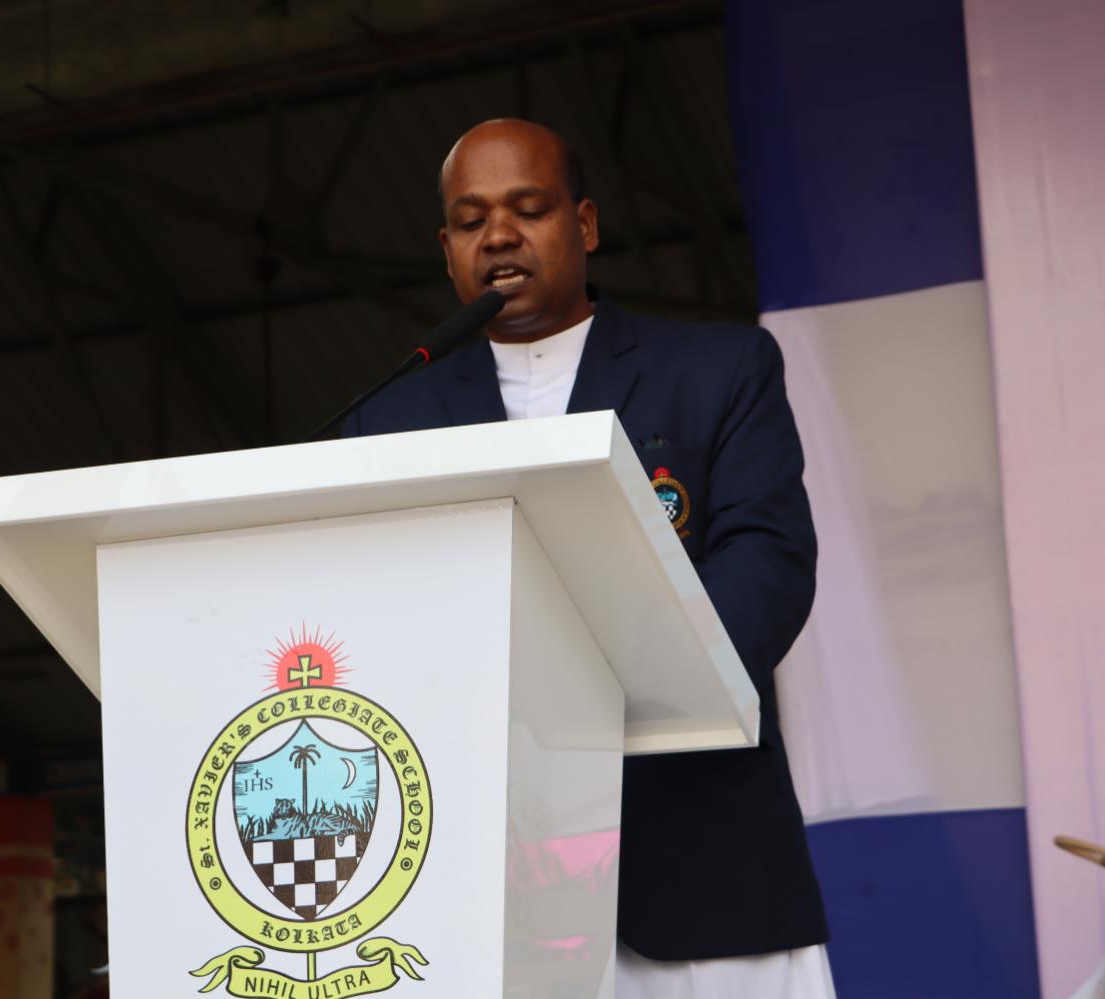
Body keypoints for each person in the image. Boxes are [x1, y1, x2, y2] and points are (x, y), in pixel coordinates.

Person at [343, 118, 833, 998]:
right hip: (483, 892)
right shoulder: (388, 419)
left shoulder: (717, 370)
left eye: (528, 208)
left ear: (586, 224)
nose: (499, 235)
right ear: (447, 250)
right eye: (471, 220)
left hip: (699, 865)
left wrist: (605, 690)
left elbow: (766, 563)